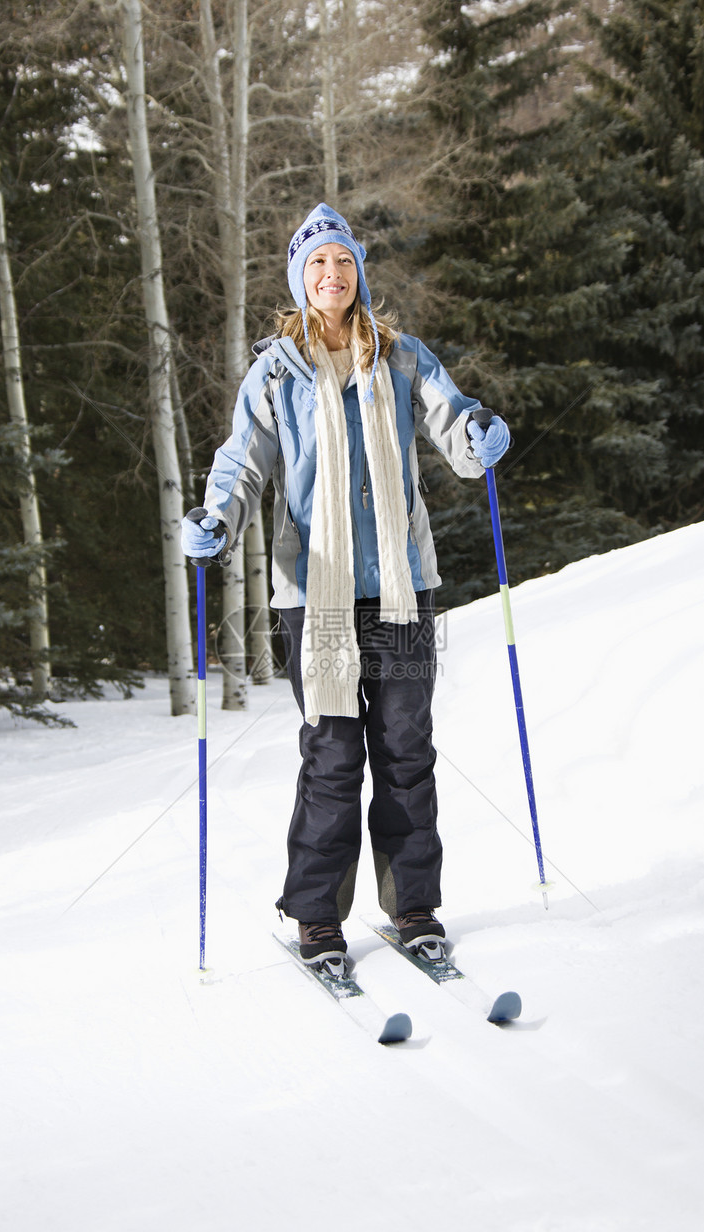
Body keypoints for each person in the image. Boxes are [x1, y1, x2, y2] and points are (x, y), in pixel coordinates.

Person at [181, 203, 509, 974]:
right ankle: (317, 914)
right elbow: (242, 463)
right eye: (318, 264)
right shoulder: (276, 371)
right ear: (301, 280)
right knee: (332, 755)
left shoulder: (401, 358)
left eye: (344, 261)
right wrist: (215, 518)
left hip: (402, 588)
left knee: (405, 748)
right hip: (314, 595)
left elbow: (453, 424)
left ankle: (413, 904)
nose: (333, 274)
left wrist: (477, 436)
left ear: (358, 272)